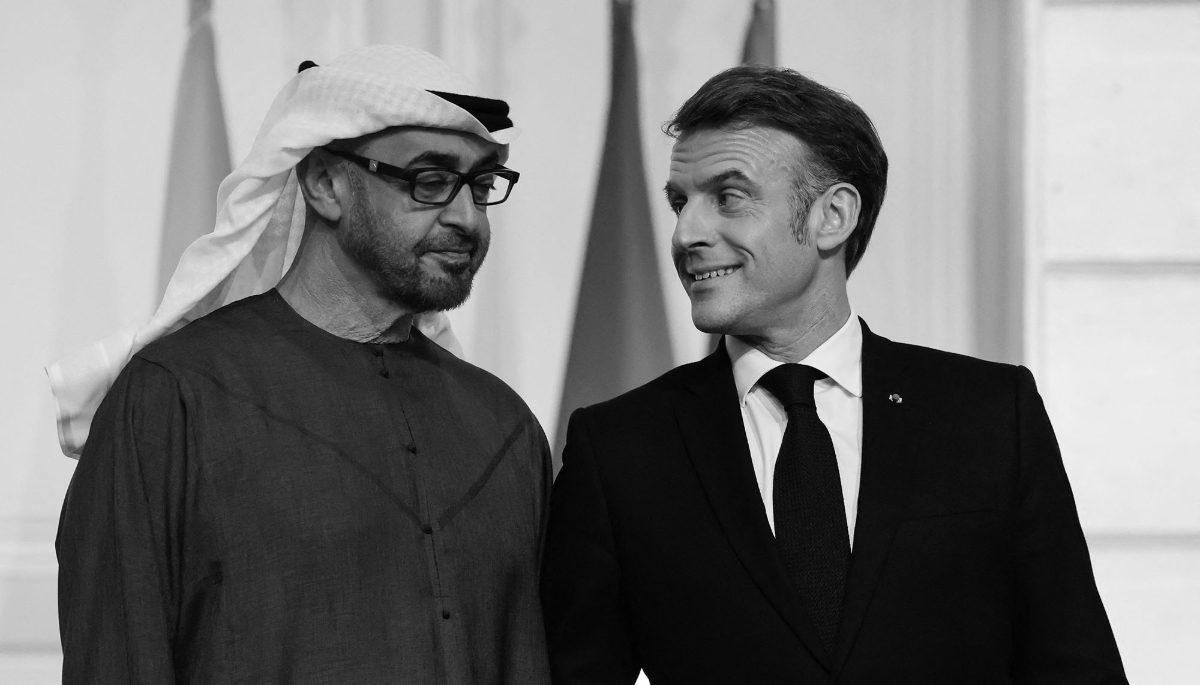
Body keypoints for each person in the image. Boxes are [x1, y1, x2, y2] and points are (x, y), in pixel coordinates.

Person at [540, 65, 1127, 683]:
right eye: (681, 203)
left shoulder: (989, 412)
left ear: (833, 216)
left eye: (728, 197)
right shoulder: (619, 447)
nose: (687, 233)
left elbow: (1074, 663)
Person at [53, 46, 552, 683]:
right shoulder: (173, 399)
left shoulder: (502, 425)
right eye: (430, 180)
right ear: (323, 184)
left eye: (481, 186)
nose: (466, 217)